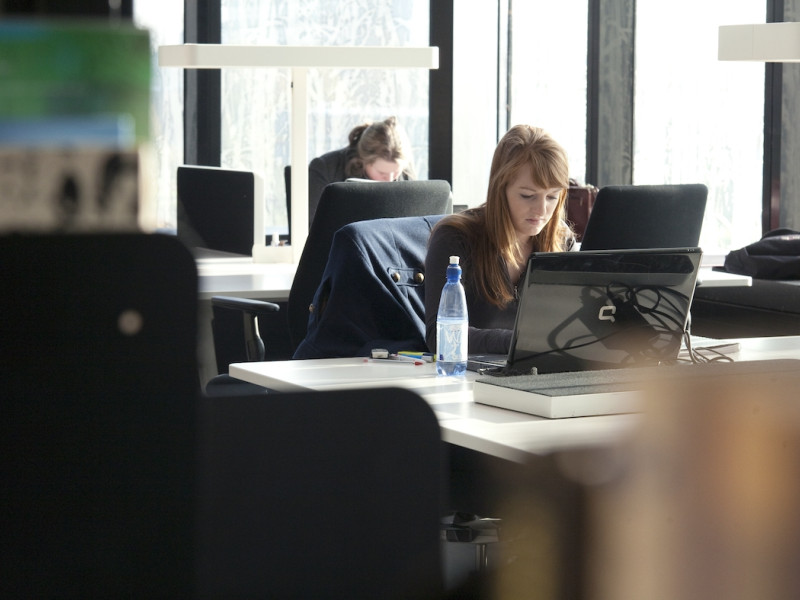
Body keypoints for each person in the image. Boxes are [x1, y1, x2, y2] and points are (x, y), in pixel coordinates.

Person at [424, 125, 576, 355]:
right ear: (500, 189)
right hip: (467, 380)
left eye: (552, 196)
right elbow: (440, 337)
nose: (542, 209)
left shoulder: (562, 241)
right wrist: (520, 343)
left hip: (536, 373)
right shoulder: (455, 239)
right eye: (528, 195)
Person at [307, 116, 416, 225]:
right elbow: (312, 225)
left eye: (396, 171)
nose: (390, 179)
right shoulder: (325, 169)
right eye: (382, 173)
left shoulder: (406, 172)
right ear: (362, 160)